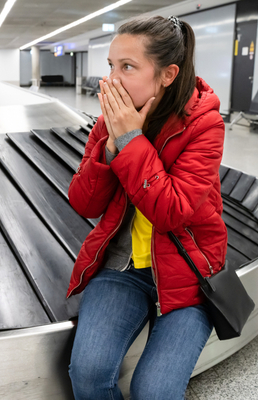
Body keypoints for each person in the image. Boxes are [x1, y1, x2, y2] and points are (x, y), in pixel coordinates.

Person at [66, 15, 227, 400]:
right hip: (123, 268)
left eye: (127, 67)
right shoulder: (109, 122)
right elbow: (84, 202)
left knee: (153, 391)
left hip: (187, 275)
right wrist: (109, 147)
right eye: (110, 66)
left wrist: (132, 140)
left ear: (168, 74)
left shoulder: (204, 125)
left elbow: (172, 211)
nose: (111, 80)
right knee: (88, 375)